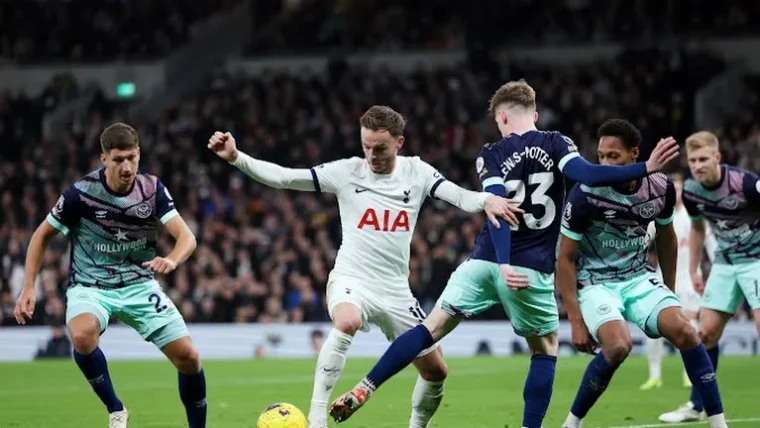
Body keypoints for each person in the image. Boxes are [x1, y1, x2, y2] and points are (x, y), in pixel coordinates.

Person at [328, 81, 680, 428]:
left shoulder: (491, 153)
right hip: (530, 270)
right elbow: (586, 174)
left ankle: (366, 386)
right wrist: (644, 167)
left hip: (483, 260)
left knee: (429, 329)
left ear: (503, 117)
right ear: (534, 114)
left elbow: (495, 207)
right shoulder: (556, 142)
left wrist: (502, 259)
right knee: (544, 350)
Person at [207, 105, 517, 428]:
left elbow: (459, 196)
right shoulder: (347, 172)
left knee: (436, 371)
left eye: (380, 148)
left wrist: (486, 200)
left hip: (396, 290)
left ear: (399, 142)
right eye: (366, 146)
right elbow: (285, 177)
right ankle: (317, 418)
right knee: (348, 320)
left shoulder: (417, 172)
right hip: (352, 278)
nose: (371, 155)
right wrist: (236, 158)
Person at [13, 123, 206, 428]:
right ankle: (116, 409)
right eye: (118, 160)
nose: (126, 167)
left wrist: (172, 259)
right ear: (104, 159)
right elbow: (40, 236)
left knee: (189, 358)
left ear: (139, 154)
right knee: (82, 335)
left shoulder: (152, 189)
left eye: (131, 158)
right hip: (91, 285)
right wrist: (28, 288)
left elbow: (187, 237)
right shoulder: (80, 194)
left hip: (139, 284)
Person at [556, 119, 726, 428]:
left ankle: (718, 423)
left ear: (634, 154)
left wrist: (668, 293)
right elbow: (565, 258)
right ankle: (571, 424)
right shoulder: (585, 194)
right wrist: (576, 322)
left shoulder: (660, 187)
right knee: (618, 346)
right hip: (596, 283)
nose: (605, 163)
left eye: (613, 156)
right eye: (601, 156)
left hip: (638, 278)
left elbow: (666, 238)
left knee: (687, 332)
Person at [659, 131, 760, 423]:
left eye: (703, 159)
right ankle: (696, 405)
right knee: (705, 335)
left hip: (756, 261)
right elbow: (698, 229)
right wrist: (693, 269)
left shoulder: (746, 184)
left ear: (718, 157)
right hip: (725, 264)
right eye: (693, 161)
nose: (698, 165)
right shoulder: (691, 191)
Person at [640, 170, 717, 391]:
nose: (677, 191)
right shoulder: (660, 215)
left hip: (689, 278)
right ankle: (655, 375)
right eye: (673, 187)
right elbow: (642, 240)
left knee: (690, 325)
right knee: (653, 327)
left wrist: (717, 270)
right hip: (661, 277)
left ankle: (689, 374)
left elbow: (711, 245)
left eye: (679, 187)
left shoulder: (694, 217)